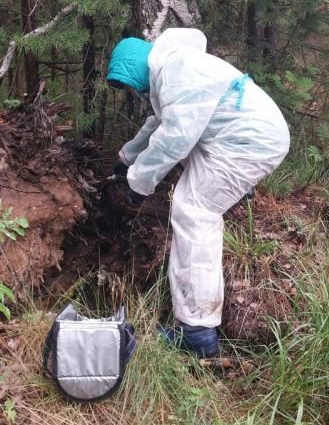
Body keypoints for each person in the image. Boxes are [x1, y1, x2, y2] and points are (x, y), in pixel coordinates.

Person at [106, 28, 290, 358]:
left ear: (137, 68)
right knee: (194, 198)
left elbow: (174, 137)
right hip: (242, 137)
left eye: (132, 86)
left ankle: (198, 333)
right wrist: (126, 158)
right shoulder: (175, 68)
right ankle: (238, 189)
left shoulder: (177, 72)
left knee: (194, 210)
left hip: (247, 143)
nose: (136, 93)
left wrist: (137, 184)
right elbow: (158, 124)